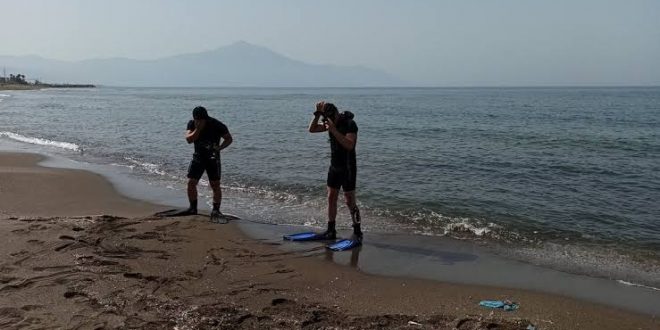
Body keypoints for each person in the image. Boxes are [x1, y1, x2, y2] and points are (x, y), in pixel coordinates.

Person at [308, 101, 362, 241]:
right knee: (331, 197)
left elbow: (349, 145)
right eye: (327, 119)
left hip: (348, 167)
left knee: (349, 201)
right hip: (334, 166)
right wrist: (317, 115)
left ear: (337, 113)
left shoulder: (350, 124)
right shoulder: (329, 122)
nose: (330, 121)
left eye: (332, 118)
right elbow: (312, 129)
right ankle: (331, 230)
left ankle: (357, 231)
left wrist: (333, 130)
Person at [183, 106, 233, 221]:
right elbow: (189, 140)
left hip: (213, 158)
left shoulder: (216, 124)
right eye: (197, 119)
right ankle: (193, 208)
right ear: (194, 118)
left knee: (215, 184)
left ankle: (216, 210)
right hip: (198, 157)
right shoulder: (191, 124)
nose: (200, 121)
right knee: (191, 183)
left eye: (202, 119)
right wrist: (198, 129)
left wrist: (220, 148)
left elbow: (229, 138)